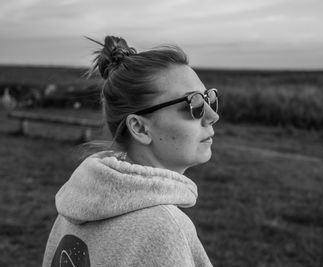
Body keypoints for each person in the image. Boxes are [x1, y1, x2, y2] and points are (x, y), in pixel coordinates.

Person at [42, 36, 219, 266]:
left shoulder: (74, 208)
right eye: (193, 104)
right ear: (139, 128)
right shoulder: (165, 229)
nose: (212, 116)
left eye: (210, 98)